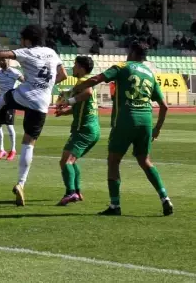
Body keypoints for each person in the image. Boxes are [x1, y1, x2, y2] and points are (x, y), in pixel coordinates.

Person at [0, 24, 67, 206]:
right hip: (42, 102)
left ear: (28, 40)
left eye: (22, 39)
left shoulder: (27, 52)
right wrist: (46, 85)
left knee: (2, 99)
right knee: (29, 143)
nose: (21, 42)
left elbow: (2, 55)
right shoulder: (52, 52)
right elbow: (63, 75)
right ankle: (21, 183)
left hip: (25, 94)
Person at [70, 42, 172, 216]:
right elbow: (164, 106)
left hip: (125, 119)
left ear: (131, 52)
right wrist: (157, 129)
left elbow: (96, 80)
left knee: (113, 161)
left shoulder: (122, 66)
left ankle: (115, 205)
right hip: (146, 121)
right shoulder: (150, 73)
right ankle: (165, 198)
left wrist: (74, 89)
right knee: (145, 161)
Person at [54, 56, 100, 206]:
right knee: (72, 161)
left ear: (81, 67)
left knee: (65, 161)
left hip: (84, 129)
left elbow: (87, 93)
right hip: (91, 129)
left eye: (74, 65)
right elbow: (81, 108)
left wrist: (68, 101)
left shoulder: (83, 82)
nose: (72, 68)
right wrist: (65, 111)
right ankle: (77, 192)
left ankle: (70, 192)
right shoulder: (84, 82)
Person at [0, 59, 24, 161]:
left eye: (3, 60)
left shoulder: (14, 72)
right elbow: (1, 88)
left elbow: (25, 82)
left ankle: (13, 150)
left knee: (9, 126)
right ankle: (1, 150)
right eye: (0, 61)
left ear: (8, 61)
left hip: (10, 101)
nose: (1, 62)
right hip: (0, 101)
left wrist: (18, 92)